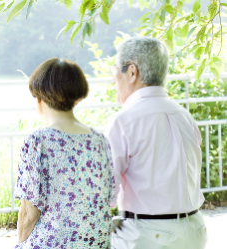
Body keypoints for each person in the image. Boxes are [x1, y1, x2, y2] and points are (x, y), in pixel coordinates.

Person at [105, 36, 207, 249]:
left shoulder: (124, 121)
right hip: (195, 230)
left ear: (132, 72)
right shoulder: (184, 116)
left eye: (115, 69)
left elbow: (105, 193)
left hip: (148, 236)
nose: (113, 78)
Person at [14, 58, 115, 249]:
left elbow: (29, 214)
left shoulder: (38, 141)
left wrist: (18, 244)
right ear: (77, 98)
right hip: (99, 242)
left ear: (39, 99)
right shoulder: (99, 140)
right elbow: (108, 196)